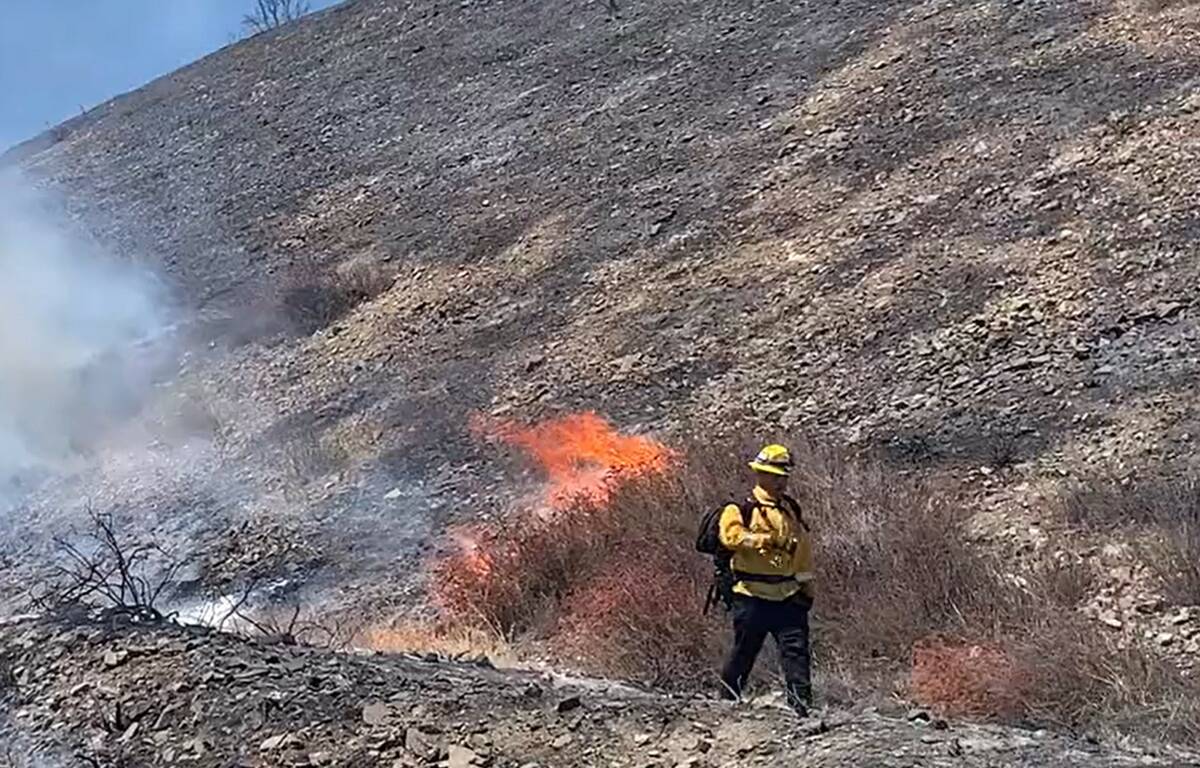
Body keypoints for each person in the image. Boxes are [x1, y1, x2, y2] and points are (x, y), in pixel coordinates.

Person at [717, 443, 815, 715]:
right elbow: (731, 537)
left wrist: (807, 588)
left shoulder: (790, 510)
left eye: (783, 476)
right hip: (751, 596)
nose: (780, 481)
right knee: (743, 653)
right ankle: (725, 704)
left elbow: (802, 551)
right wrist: (763, 540)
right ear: (759, 474)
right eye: (774, 475)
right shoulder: (739, 509)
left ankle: (802, 711)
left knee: (796, 655)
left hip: (788, 596)